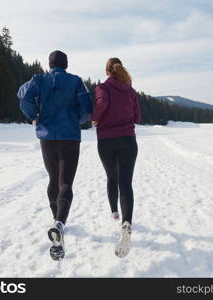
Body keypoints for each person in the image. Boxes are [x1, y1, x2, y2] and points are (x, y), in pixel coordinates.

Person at [17, 50, 93, 261]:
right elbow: (87, 109)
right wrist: (76, 120)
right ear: (66, 64)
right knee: (66, 181)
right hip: (69, 136)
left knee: (53, 179)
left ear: (50, 64)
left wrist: (34, 116)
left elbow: (23, 96)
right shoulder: (76, 81)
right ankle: (59, 222)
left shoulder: (39, 79)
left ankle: (55, 220)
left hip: (47, 136)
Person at [91, 58, 141, 258]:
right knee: (126, 183)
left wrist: (95, 117)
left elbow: (101, 104)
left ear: (107, 71)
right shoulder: (131, 91)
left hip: (106, 140)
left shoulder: (102, 88)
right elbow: (137, 117)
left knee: (112, 176)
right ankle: (126, 223)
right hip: (128, 140)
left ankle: (114, 212)